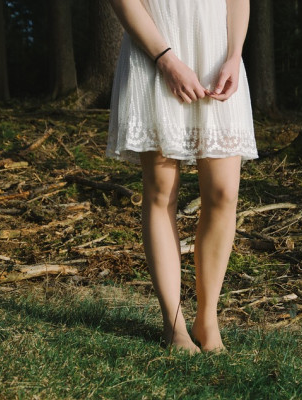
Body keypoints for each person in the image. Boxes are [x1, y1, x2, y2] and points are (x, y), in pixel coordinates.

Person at [106, 0, 258, 353]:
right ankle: (173, 325)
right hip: (157, 51)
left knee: (223, 194)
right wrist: (166, 60)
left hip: (216, 54)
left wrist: (234, 54)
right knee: (162, 192)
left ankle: (208, 320)